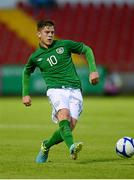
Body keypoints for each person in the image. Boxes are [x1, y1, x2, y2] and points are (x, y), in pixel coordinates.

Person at [22, 19, 99, 163]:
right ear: (39, 34)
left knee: (70, 126)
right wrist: (25, 93)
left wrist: (93, 71)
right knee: (64, 115)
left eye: (52, 32)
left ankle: (46, 145)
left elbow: (87, 49)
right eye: (47, 32)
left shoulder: (64, 45)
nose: (50, 35)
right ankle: (72, 147)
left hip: (75, 90)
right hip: (55, 90)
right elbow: (26, 72)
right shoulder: (35, 57)